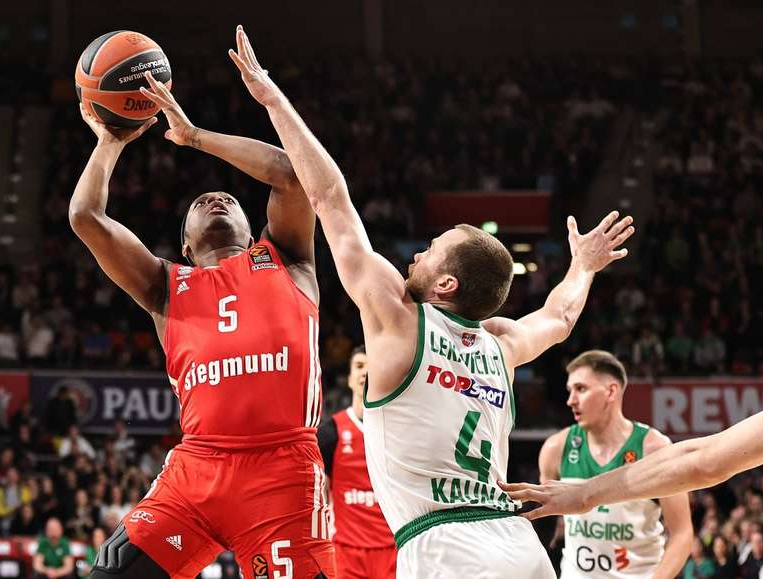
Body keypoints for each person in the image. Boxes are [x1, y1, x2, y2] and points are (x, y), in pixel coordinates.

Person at [226, 24, 633, 579]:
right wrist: (583, 266)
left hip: (444, 545)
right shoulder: (502, 344)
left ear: (447, 285)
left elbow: (328, 197)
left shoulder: (398, 319)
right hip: (519, 544)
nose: (416, 255)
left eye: (431, 252)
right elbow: (560, 317)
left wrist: (272, 98)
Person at [73, 28, 331, 578]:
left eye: (230, 199)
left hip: (282, 472)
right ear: (185, 246)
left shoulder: (287, 259)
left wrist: (193, 137)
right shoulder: (165, 286)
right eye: (201, 202)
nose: (217, 198)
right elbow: (85, 219)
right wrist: (110, 141)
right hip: (196, 469)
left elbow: (290, 174)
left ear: (249, 224)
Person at [538, 350, 692, 578]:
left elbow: (682, 534)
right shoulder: (555, 448)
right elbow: (544, 528)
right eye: (570, 390)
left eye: (581, 389)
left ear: (611, 391)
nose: (571, 400)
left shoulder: (654, 449)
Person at [498, 406, 763, 519]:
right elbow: (701, 462)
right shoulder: (558, 445)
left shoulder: (649, 440)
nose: (573, 400)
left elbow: (703, 462)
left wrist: (584, 494)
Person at [316, 346, 396, 578]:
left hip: (393, 549)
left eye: (372, 367)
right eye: (359, 366)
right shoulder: (331, 432)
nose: (365, 373)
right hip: (346, 551)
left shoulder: (399, 431)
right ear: (349, 379)